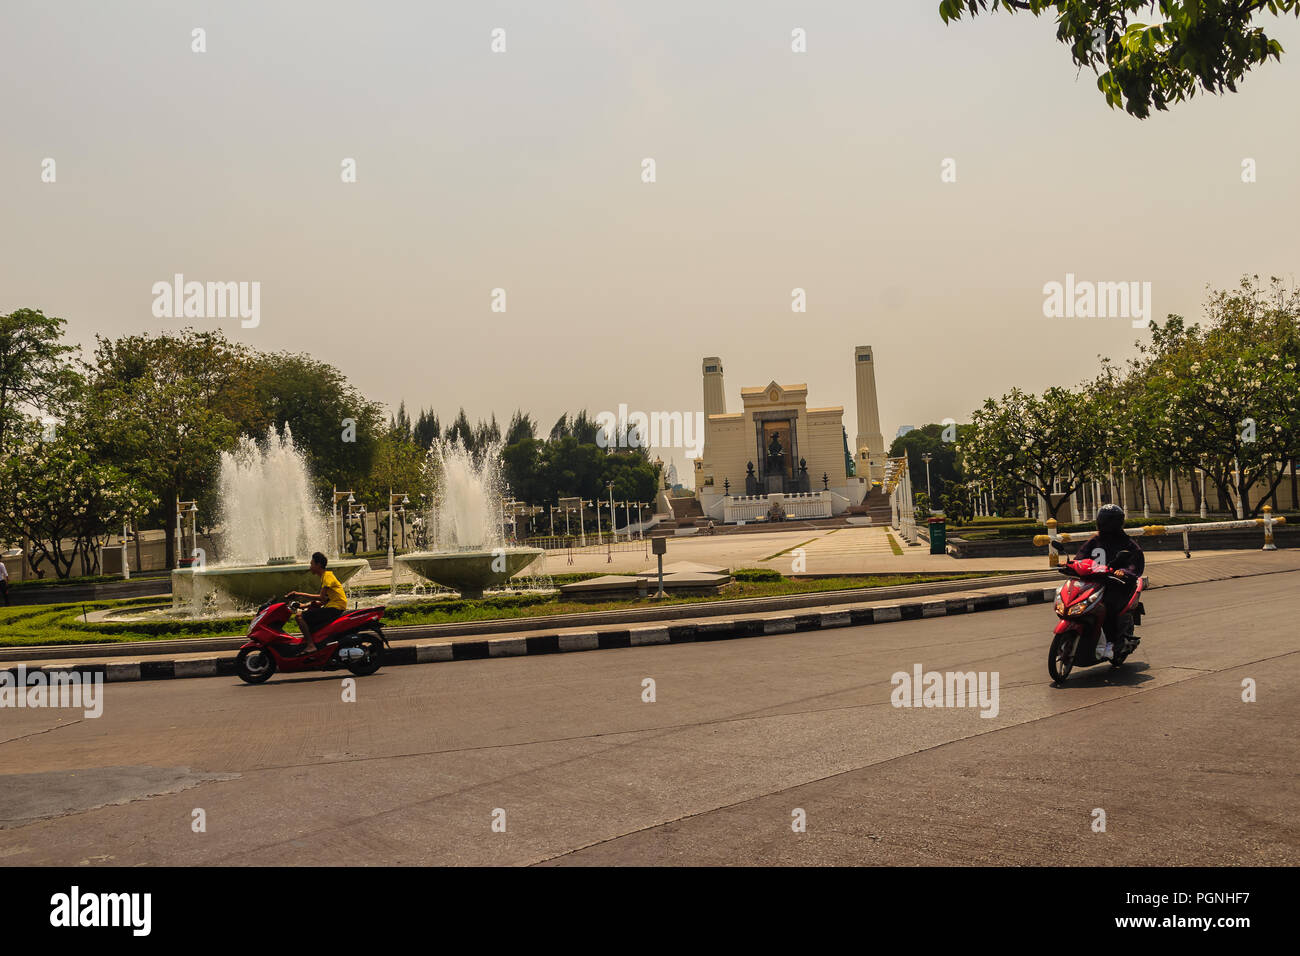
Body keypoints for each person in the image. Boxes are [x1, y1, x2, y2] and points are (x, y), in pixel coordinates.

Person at [1073, 503, 1144, 660]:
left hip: (1116, 586)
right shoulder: (1095, 541)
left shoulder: (1128, 544)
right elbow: (1080, 557)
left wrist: (1124, 572)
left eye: (1109, 521)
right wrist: (1071, 565)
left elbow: (1134, 565)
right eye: (1104, 521)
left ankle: (1111, 642)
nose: (1106, 525)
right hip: (1093, 583)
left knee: (1108, 607)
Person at [285, 552, 347, 653]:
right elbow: (325, 600)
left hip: (335, 608)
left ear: (318, 565)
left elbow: (321, 597)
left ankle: (310, 645)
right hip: (334, 607)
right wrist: (305, 605)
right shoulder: (325, 576)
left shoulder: (327, 576)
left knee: (299, 617)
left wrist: (299, 594)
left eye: (311, 564)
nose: (310, 567)